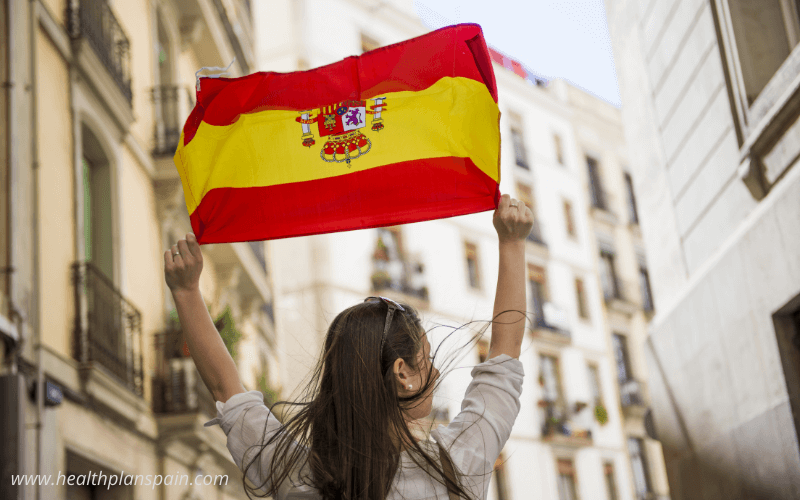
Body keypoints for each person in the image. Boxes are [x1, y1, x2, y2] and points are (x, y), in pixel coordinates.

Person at [164, 194, 534, 500]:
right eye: (426, 360)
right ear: (401, 373)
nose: (435, 372)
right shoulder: (457, 463)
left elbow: (225, 389)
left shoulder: (294, 473)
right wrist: (512, 242)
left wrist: (186, 292)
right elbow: (504, 353)